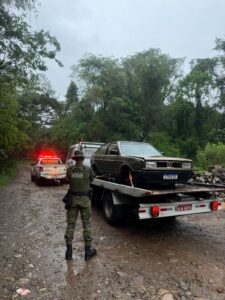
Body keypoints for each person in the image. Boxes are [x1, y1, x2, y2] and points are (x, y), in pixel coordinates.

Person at [64, 150, 97, 261]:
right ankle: (88, 253)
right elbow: (92, 179)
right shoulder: (87, 170)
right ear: (82, 159)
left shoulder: (70, 170)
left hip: (72, 200)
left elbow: (68, 180)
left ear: (74, 159)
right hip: (85, 201)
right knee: (86, 225)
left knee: (71, 225)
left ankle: (69, 253)